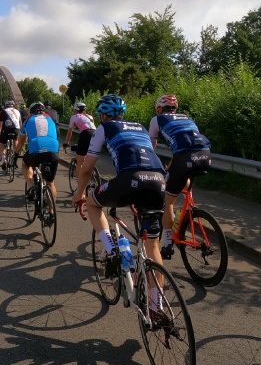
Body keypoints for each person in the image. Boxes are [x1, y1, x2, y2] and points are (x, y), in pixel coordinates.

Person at [71, 94, 167, 309]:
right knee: (153, 245)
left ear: (102, 115)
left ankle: (112, 250)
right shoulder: (140, 127)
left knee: (93, 203)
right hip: (158, 181)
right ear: (123, 113)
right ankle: (157, 306)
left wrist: (79, 193)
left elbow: (87, 169)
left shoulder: (104, 128)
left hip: (129, 180)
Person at [148, 94, 212, 258]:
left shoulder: (157, 119)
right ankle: (188, 209)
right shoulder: (187, 118)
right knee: (181, 178)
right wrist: (171, 165)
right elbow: (187, 145)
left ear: (159, 109)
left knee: (168, 200)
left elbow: (151, 146)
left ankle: (168, 244)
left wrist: (147, 162)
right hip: (205, 155)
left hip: (184, 158)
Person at [14, 102, 60, 223]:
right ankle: (52, 212)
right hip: (53, 151)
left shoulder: (28, 121)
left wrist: (16, 154)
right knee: (50, 182)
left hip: (36, 149)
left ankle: (31, 186)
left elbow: (21, 141)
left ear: (31, 112)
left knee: (25, 164)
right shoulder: (51, 120)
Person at [64, 101, 96, 173]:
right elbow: (93, 127)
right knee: (89, 155)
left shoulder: (74, 117)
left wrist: (67, 143)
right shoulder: (90, 117)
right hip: (95, 134)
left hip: (85, 134)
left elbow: (69, 132)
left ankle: (80, 179)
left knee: (80, 161)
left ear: (76, 110)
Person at [0, 100, 22, 170]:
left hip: (6, 130)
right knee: (15, 140)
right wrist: (20, 132)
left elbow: (0, 123)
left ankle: (4, 160)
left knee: (2, 144)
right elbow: (20, 123)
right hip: (16, 129)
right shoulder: (17, 111)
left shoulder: (3, 111)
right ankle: (15, 156)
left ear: (6, 106)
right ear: (13, 106)